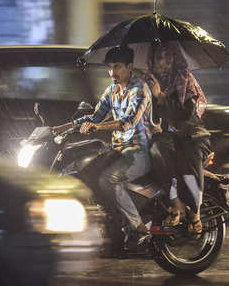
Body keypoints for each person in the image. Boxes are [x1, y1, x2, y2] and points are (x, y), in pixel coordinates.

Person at [52, 46, 153, 244]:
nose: (112, 72)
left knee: (109, 179)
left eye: (117, 67)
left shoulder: (139, 88)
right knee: (83, 169)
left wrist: (96, 127)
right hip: (118, 149)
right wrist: (62, 127)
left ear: (130, 67)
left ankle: (140, 229)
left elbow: (128, 121)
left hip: (138, 150)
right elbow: (95, 116)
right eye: (109, 67)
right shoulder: (112, 89)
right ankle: (110, 223)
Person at [145, 41, 212, 233]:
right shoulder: (151, 81)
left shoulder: (184, 79)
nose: (164, 62)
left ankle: (194, 210)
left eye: (168, 57)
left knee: (186, 157)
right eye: (159, 57)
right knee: (154, 151)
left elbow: (184, 114)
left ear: (175, 58)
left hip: (192, 134)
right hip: (168, 137)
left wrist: (160, 96)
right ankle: (174, 202)